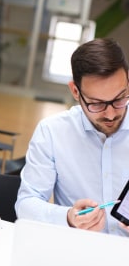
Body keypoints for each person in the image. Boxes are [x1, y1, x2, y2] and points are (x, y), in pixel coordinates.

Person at [16, 38, 129, 237]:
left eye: (120, 99)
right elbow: (26, 204)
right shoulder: (52, 132)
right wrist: (68, 217)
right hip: (77, 252)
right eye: (97, 104)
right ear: (75, 91)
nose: (111, 114)